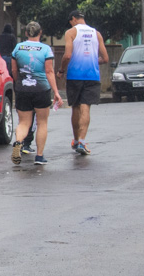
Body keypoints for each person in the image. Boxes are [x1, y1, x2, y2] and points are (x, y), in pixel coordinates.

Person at [10, 21, 63, 165]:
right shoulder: (46, 49)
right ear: (40, 33)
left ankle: (18, 142)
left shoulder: (18, 48)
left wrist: (18, 83)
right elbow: (49, 71)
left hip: (22, 89)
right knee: (42, 123)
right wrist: (56, 92)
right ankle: (39, 156)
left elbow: (14, 70)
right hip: (41, 89)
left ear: (26, 33)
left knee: (24, 122)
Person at [59, 10, 108, 155]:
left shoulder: (71, 33)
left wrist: (61, 70)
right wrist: (93, 60)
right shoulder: (96, 33)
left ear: (73, 19)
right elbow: (105, 58)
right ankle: (82, 141)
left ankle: (75, 140)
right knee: (85, 107)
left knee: (75, 107)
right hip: (92, 75)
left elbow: (67, 55)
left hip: (75, 75)